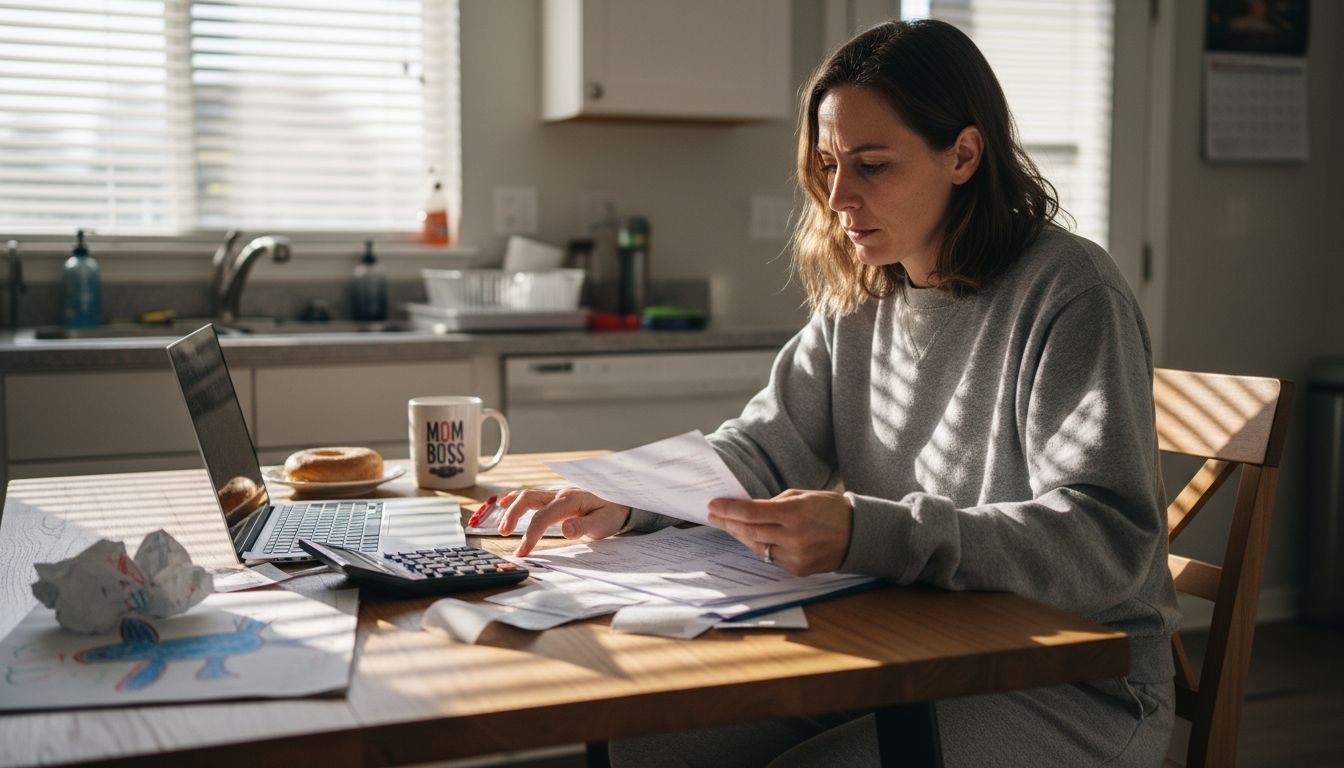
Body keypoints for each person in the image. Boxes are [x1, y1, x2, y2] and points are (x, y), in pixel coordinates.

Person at [498, 18, 1178, 767]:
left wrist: (869, 531)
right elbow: (765, 445)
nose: (839, 196)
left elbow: (1107, 539)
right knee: (648, 743)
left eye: (873, 165)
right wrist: (632, 497)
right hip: (914, 650)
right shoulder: (864, 296)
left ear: (963, 154)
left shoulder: (1071, 293)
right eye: (827, 164)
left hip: (1073, 681)